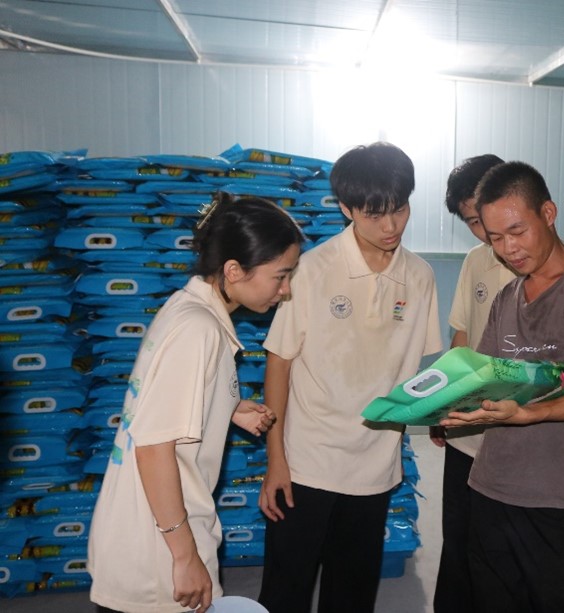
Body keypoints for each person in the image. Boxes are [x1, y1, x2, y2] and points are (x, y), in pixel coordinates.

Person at [88, 194, 304, 613]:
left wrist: (228, 406)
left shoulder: (188, 308)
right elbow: (154, 448)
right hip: (159, 546)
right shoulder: (198, 330)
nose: (286, 289)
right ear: (234, 271)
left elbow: (166, 395)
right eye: (280, 276)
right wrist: (185, 556)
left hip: (150, 527)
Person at [441, 161, 564, 613]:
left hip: (560, 496)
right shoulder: (507, 297)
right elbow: (484, 377)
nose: (508, 248)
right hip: (492, 487)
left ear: (548, 213)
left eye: (517, 231)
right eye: (495, 238)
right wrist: (440, 402)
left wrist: (531, 412)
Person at [257, 142, 442, 613]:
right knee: (286, 591)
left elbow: (420, 369)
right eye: (374, 214)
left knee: (352, 594)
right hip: (307, 461)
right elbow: (279, 363)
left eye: (400, 209)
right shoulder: (312, 271)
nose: (391, 226)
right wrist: (276, 460)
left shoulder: (420, 277)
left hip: (374, 467)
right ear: (346, 208)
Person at [431, 153, 516, 613]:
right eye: (472, 222)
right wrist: (445, 405)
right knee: (458, 542)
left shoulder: (539, 263)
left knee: (502, 552)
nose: (484, 232)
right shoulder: (475, 262)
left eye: (486, 217)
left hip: (520, 435)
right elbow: (461, 340)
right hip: (469, 434)